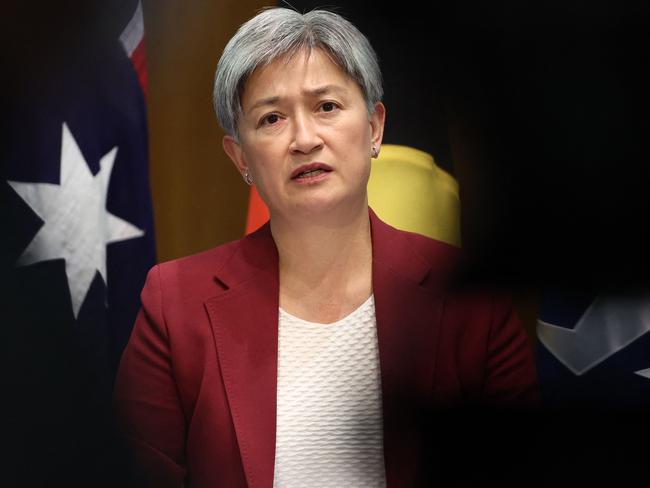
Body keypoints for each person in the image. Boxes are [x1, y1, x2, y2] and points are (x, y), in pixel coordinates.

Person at [113, 7, 539, 488]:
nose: (304, 138)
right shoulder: (175, 304)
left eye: (327, 107)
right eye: (271, 118)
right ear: (240, 157)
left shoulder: (471, 300)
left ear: (375, 128)